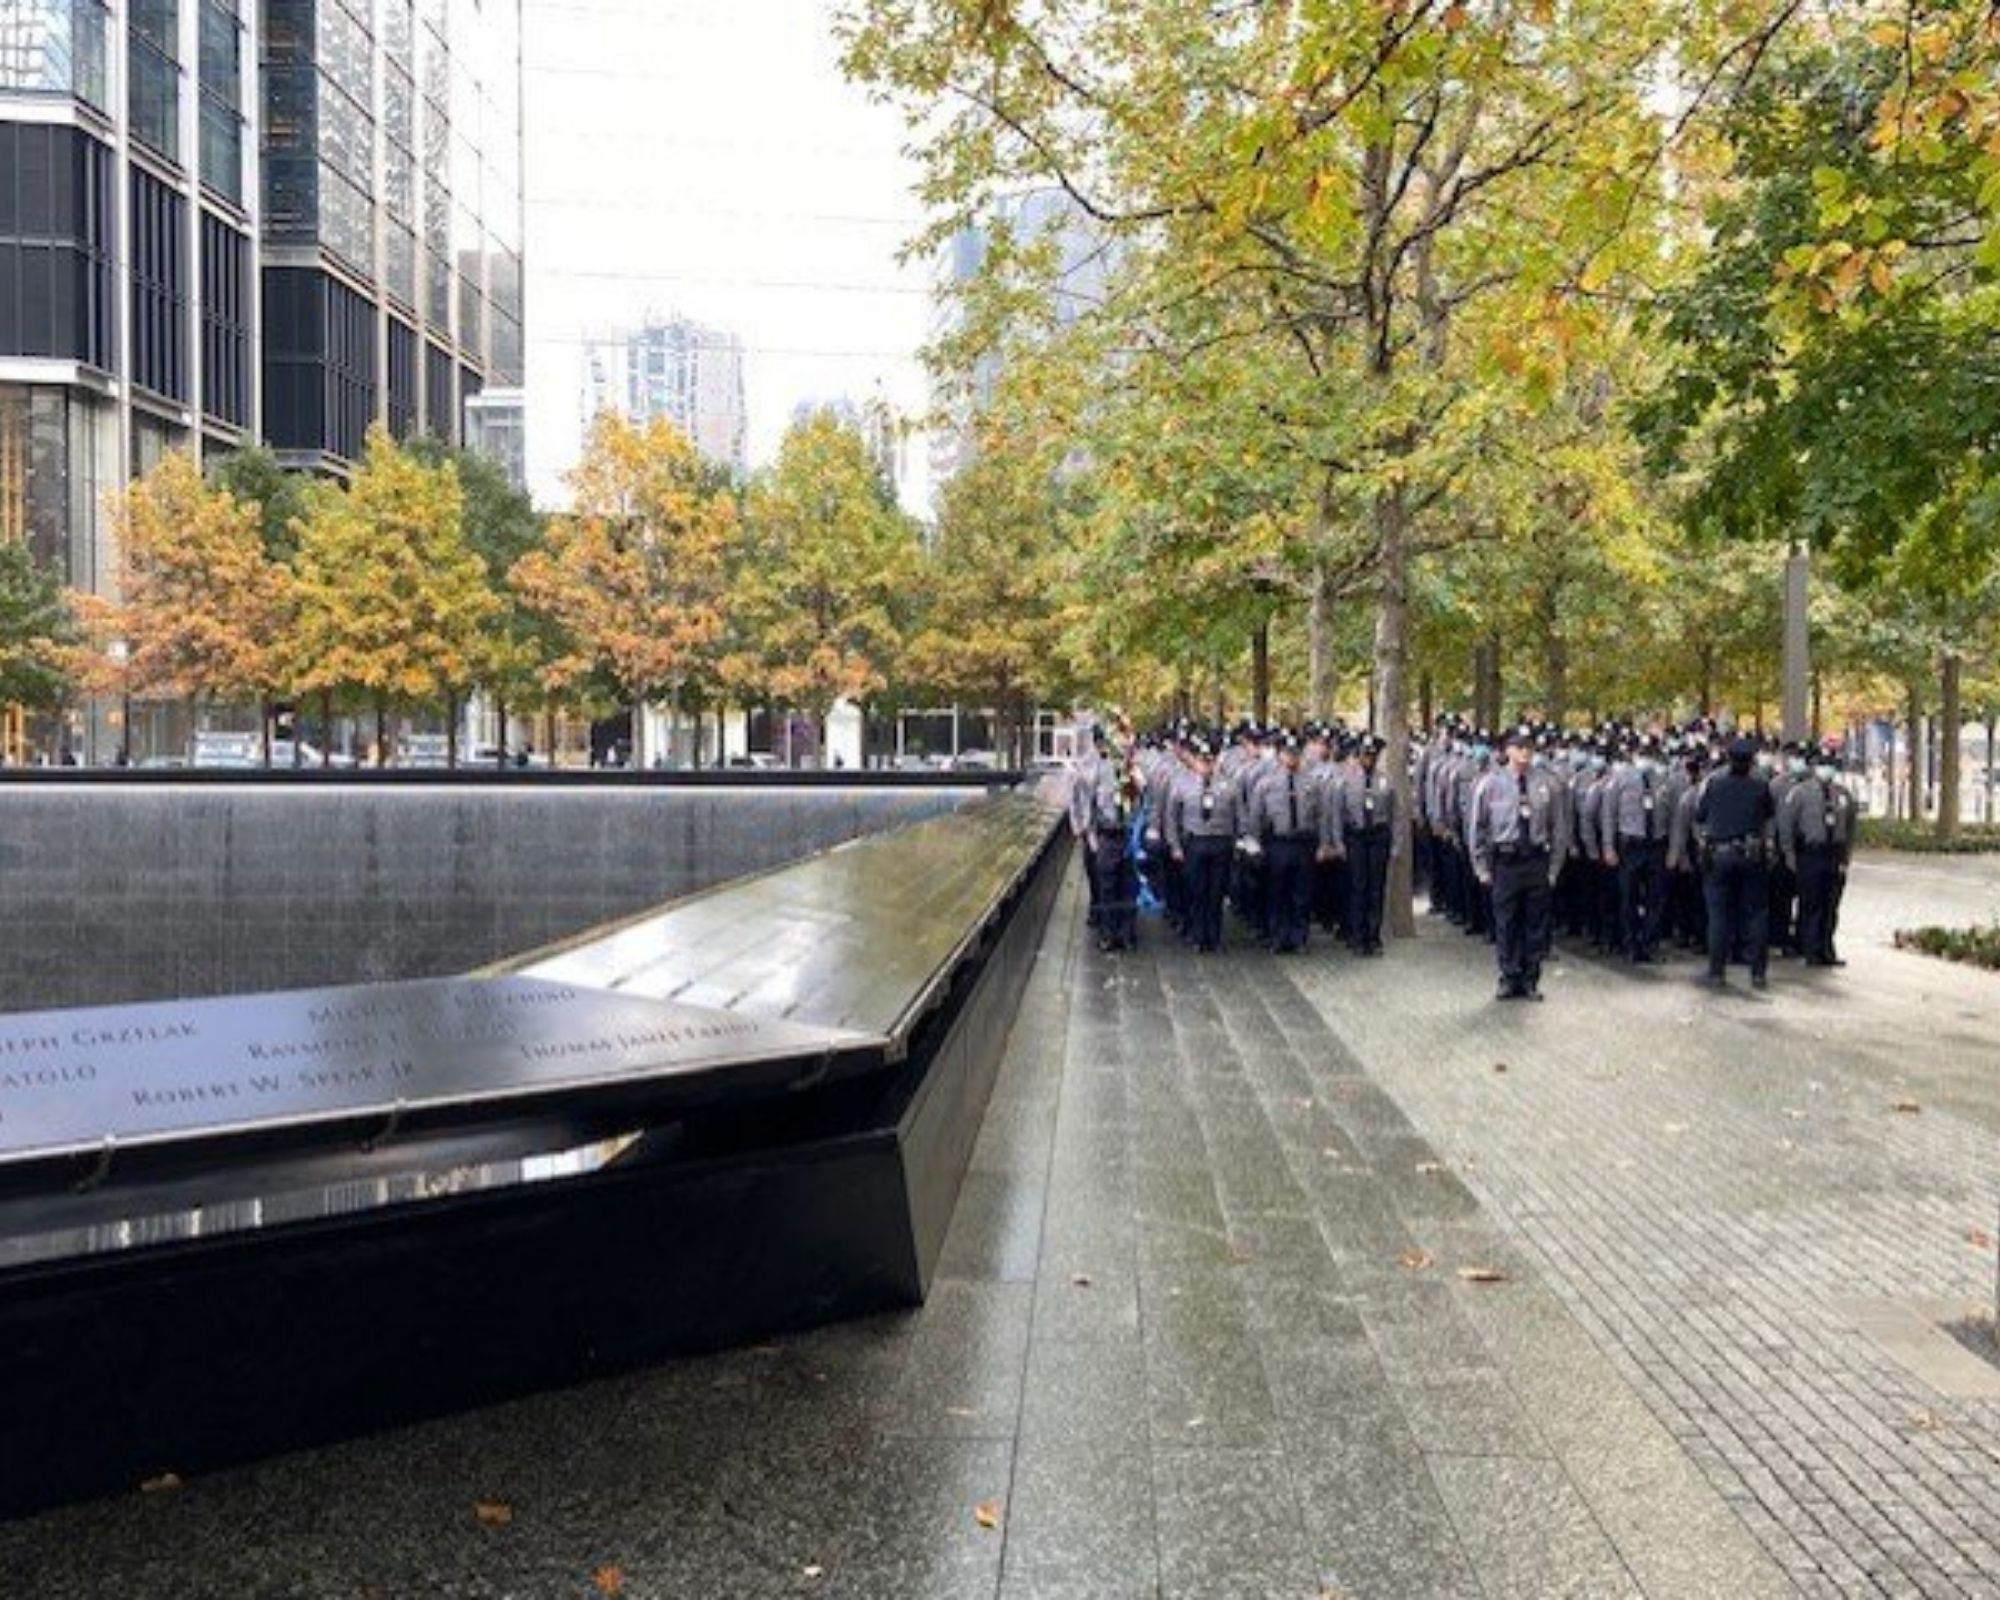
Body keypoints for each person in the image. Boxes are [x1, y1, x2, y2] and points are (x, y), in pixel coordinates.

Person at [1468, 727, 1572, 1000]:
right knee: (1506, 922)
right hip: (1506, 861)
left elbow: (1559, 829)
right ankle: (1508, 976)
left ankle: (1530, 978)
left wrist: (1553, 869)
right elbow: (1477, 828)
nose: (1525, 752)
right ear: (1507, 751)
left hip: (1536, 860)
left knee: (1535, 923)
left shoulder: (1547, 783)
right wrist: (1480, 867)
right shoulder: (1490, 784)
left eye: (1529, 746)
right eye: (1519, 746)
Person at [1695, 736, 1777, 991]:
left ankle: (1717, 971)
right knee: (1756, 915)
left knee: (1718, 914)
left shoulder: (1715, 783)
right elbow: (1768, 815)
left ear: (1728, 758)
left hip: (1720, 855)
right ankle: (1758, 972)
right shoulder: (1761, 784)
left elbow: (1700, 815)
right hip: (1751, 854)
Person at [1246, 732, 1328, 954]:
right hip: (1277, 843)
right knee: (1277, 891)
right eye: (1287, 753)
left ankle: (1299, 937)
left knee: (1302, 893)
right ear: (1280, 755)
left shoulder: (1311, 782)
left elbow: (1322, 815)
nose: (1291, 758)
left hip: (1303, 842)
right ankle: (1278, 937)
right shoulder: (1266, 783)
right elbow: (1255, 816)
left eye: (1295, 754)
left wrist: (1323, 844)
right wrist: (1253, 844)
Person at [1780, 746, 1858, 968]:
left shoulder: (1843, 794)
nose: (1827, 769)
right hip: (1810, 854)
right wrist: (1790, 856)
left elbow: (1851, 827)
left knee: (1830, 905)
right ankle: (1810, 949)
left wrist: (1846, 857)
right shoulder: (1800, 793)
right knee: (1810, 904)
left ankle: (1827, 949)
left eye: (1831, 765)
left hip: (1834, 853)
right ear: (1815, 768)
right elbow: (1787, 826)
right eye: (1823, 765)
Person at [1166, 740, 1242, 953]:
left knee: (1217, 892)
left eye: (1209, 760)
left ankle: (1215, 937)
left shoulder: (1229, 785)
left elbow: (1239, 816)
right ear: (1195, 761)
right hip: (1195, 842)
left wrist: (1237, 843)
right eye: (1201, 760)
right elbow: (1172, 818)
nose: (1205, 765)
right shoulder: (1181, 784)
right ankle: (1198, 936)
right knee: (1197, 891)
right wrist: (1175, 846)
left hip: (1221, 842)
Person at [1603, 734, 1671, 964]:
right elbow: (1608, 814)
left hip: (1656, 845)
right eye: (1642, 754)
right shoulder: (1620, 779)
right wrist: (1608, 847)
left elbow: (1670, 814)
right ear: (1633, 755)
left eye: (1649, 754)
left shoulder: (1663, 779)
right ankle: (1630, 944)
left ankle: (1649, 943)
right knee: (1628, 897)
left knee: (1656, 898)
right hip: (1630, 845)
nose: (1646, 758)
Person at [1333, 734, 1398, 956]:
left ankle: (1373, 936)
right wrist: (1338, 841)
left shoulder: (1385, 780)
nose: (1368, 759)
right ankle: (1357, 936)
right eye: (1365, 755)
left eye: (1372, 755)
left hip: (1378, 837)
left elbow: (1394, 814)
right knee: (1357, 887)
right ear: (1358, 756)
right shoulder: (1346, 780)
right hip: (1356, 837)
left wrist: (1395, 844)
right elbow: (1337, 813)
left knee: (1376, 889)